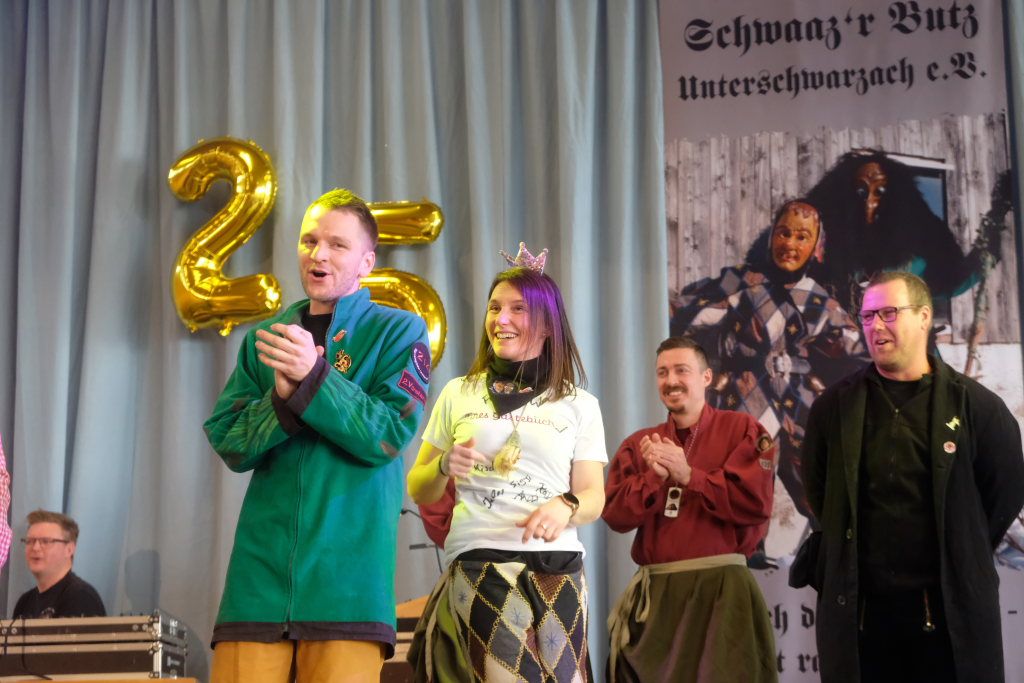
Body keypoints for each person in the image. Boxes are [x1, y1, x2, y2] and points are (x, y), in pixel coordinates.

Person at [204, 188, 431, 683]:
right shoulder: (265, 338)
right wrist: (280, 400)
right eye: (309, 241)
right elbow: (229, 440)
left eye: (337, 244)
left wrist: (314, 380)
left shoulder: (400, 331)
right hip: (256, 587)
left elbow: (389, 433)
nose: (318, 254)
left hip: (348, 587)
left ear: (367, 262)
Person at [801, 271, 1024, 683]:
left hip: (949, 623)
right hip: (863, 623)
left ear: (924, 317)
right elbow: (818, 491)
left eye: (889, 313)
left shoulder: (977, 407)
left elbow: (1005, 493)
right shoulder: (833, 408)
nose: (875, 326)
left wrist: (962, 543)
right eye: (867, 316)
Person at [406, 244, 607, 682]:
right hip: (481, 557)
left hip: (559, 563)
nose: (501, 319)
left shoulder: (579, 403)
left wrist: (566, 505)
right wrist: (443, 467)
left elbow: (594, 496)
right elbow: (418, 486)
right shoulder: (459, 392)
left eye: (518, 309)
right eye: (495, 308)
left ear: (548, 324)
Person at [671, 200, 866, 544]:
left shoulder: (816, 297)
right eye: (784, 233)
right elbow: (687, 316)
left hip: (799, 400)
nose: (790, 244)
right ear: (772, 235)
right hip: (746, 396)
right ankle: (746, 558)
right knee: (742, 489)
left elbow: (856, 346)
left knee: (818, 486)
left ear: (816, 247)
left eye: (802, 237)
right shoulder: (740, 281)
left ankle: (834, 555)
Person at [603, 336, 777, 683]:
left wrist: (689, 476)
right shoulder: (640, 445)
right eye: (662, 372)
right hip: (658, 598)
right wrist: (653, 478)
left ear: (706, 377)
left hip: (722, 593)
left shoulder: (743, 430)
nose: (671, 381)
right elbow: (615, 516)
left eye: (681, 370)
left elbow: (757, 505)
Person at [12, 509, 105, 619]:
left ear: (69, 549)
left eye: (46, 541)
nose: (35, 548)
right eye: (30, 541)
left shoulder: (81, 597)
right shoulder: (24, 602)